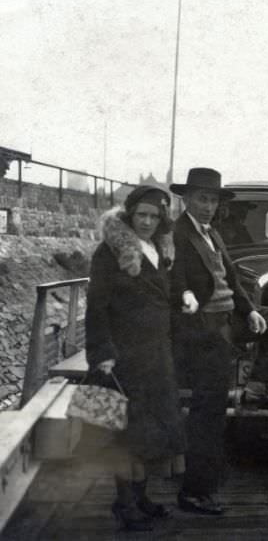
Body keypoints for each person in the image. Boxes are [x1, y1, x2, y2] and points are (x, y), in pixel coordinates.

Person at [170, 167, 268, 515]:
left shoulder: (212, 233)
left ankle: (256, 387)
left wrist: (251, 311)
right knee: (208, 414)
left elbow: (232, 278)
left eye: (213, 199)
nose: (208, 206)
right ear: (186, 199)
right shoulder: (177, 234)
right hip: (204, 327)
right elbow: (176, 282)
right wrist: (190, 305)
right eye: (201, 198)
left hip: (229, 318)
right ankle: (195, 492)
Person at [85, 185, 185, 531]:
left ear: (162, 219)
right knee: (125, 430)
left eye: (154, 216)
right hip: (125, 354)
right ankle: (124, 505)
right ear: (130, 215)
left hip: (157, 352)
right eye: (141, 215)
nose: (146, 222)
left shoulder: (158, 248)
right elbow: (96, 306)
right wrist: (102, 353)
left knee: (152, 428)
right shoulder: (109, 252)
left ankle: (141, 497)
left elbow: (160, 298)